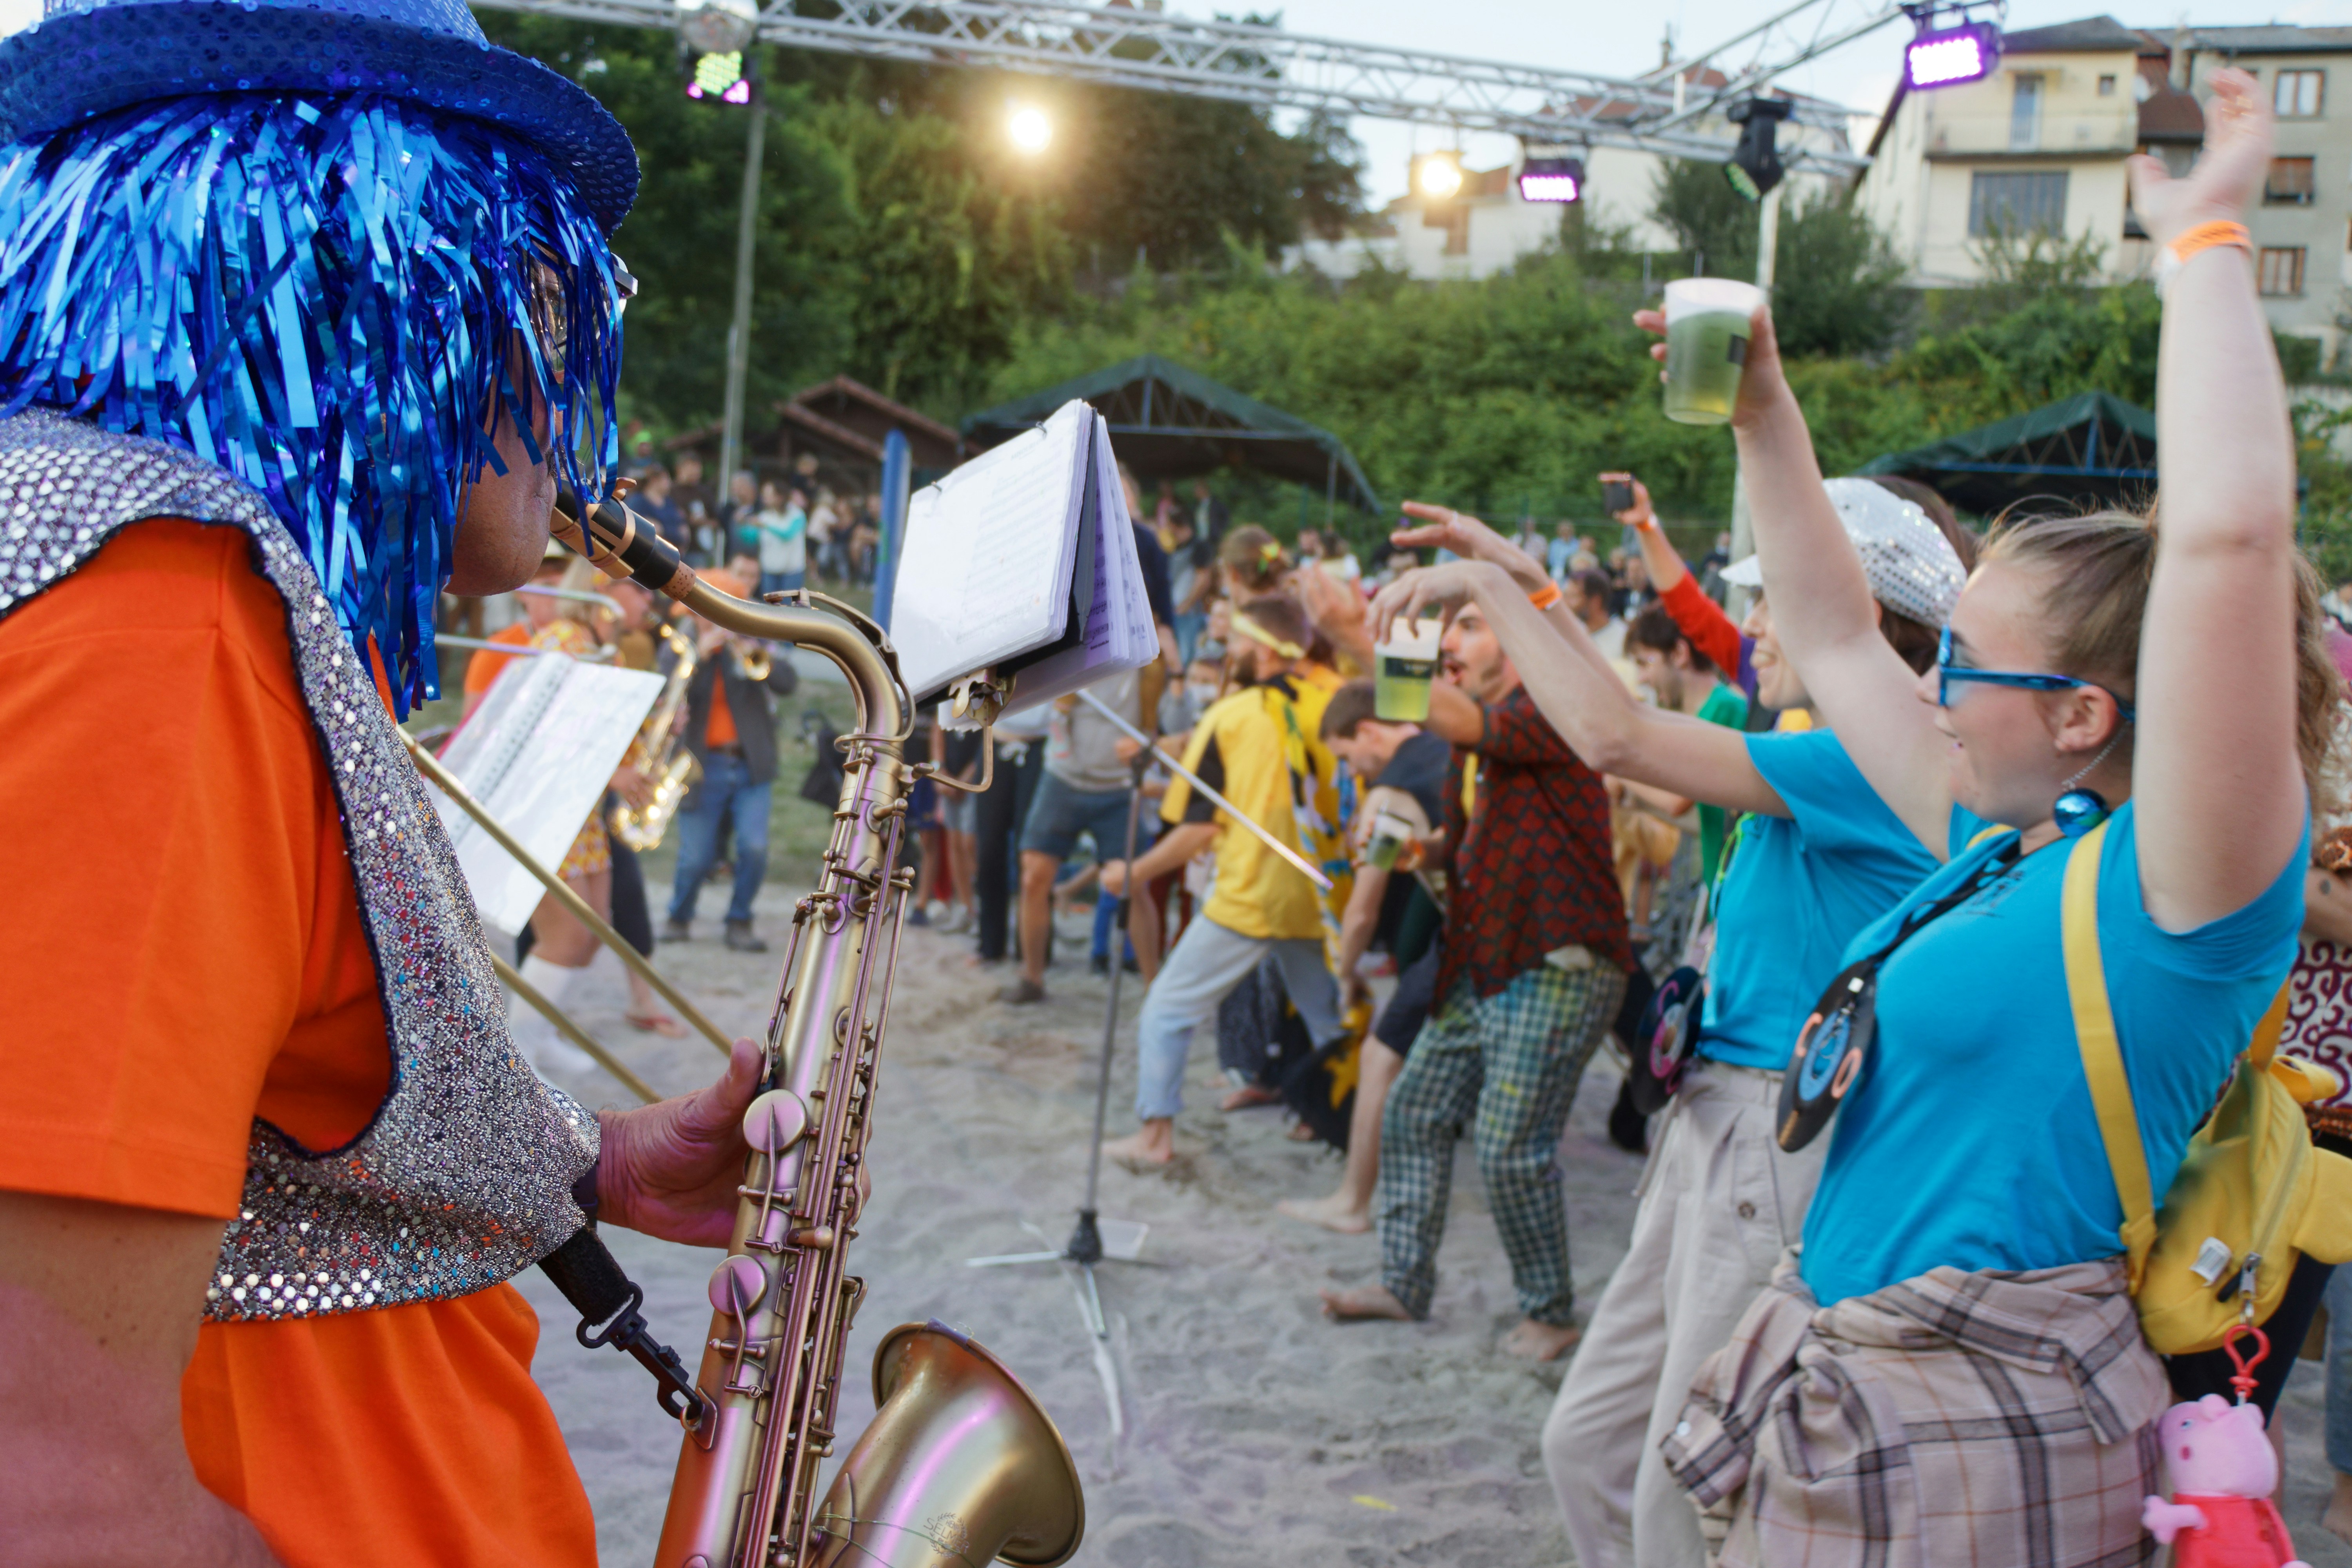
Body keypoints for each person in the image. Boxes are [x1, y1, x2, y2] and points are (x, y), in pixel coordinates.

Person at [0, 5, 778, 1560]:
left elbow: (242, 1145)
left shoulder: (199, 596)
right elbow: (54, 1493)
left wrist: (588, 1161)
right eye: (554, 298)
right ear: (382, 272)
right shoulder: (163, 616)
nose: (575, 386)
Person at [1653, 72, 2330, 1563]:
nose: (1929, 682)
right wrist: (1769, 413)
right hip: (1864, 1394)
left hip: (1973, 1434)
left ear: (2086, 712)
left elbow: (2227, 539)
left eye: (1962, 659)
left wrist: (2204, 239)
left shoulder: (2176, 892)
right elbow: (1833, 635)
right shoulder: (2004, 838)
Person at [1369, 482, 1967, 1566]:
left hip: (1770, 1139)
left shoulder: (1877, 757)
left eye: (1776, 601)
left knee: (1674, 1485)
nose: (1751, 627)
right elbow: (1623, 714)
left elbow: (1614, 737)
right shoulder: (1824, 738)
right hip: (1713, 1119)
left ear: (1864, 618)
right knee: (1587, 1445)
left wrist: (1489, 590)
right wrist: (1514, 570)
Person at [1319, 588, 1630, 1361]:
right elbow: (1461, 847)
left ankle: (1552, 1313)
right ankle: (1403, 1281)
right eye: (1449, 625)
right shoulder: (1474, 740)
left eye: (1468, 623)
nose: (1453, 639)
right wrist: (1408, 853)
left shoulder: (1549, 705)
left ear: (1518, 637)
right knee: (1414, 1111)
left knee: (1507, 1148)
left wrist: (1365, 637)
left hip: (1557, 962)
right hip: (1486, 958)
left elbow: (1445, 713)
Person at [1098, 595, 1349, 1167]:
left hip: (1250, 896)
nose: (1226, 648)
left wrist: (1131, 872)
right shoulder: (1336, 699)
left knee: (1166, 1009)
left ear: (1261, 649)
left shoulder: (1230, 717)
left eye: (1236, 639)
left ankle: (1155, 1137)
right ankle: (1352, 1130)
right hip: (1317, 894)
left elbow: (1197, 830)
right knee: (1327, 1020)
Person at [1278, 679, 1451, 1234]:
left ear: (1370, 731)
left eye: (1351, 758)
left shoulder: (1390, 793)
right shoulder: (1444, 747)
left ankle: (1354, 1202)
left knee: (1380, 1056)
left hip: (1476, 931)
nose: (1357, 774)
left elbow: (1362, 911)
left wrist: (1345, 971)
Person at [999, 667, 1161, 1004]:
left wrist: (1143, 754)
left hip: (1118, 786)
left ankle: (1153, 988)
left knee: (1135, 882)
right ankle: (1032, 978)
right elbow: (1053, 721)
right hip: (1064, 779)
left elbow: (1153, 731)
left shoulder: (1149, 667)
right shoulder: (1080, 656)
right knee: (1034, 876)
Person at [664, 569, 795, 952]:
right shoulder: (679, 645)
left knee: (754, 848)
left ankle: (740, 920)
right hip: (702, 766)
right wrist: (701, 655)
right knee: (695, 856)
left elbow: (788, 683)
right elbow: (665, 689)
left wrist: (751, 647)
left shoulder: (752, 639)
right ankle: (679, 915)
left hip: (751, 764)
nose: (706, 618)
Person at [744, 477, 806, 599]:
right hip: (769, 571)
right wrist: (743, 525)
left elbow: (788, 535)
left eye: (769, 495)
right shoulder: (765, 516)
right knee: (770, 608)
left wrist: (765, 526)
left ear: (780, 497)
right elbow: (751, 538)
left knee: (789, 610)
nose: (764, 498)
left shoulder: (797, 515)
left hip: (792, 571)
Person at [1564, 564, 1625, 659]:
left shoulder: (1623, 639)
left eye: (1574, 597)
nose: (1566, 603)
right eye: (1566, 596)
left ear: (1596, 601)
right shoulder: (1570, 635)